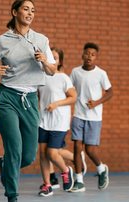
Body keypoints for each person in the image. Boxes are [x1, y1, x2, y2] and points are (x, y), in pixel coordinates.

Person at [0, 0, 56, 201]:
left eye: (33, 10)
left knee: (29, 155)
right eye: (26, 9)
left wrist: (45, 61)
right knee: (14, 147)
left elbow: (52, 70)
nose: (30, 13)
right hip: (6, 98)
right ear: (15, 12)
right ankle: (12, 196)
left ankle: (5, 165)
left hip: (30, 100)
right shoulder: (1, 41)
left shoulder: (41, 39)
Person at [69, 42, 113, 192]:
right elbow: (69, 89)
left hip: (94, 117)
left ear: (96, 58)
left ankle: (101, 169)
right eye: (87, 53)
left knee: (90, 150)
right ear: (82, 55)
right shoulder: (75, 72)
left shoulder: (101, 73)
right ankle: (79, 181)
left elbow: (110, 92)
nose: (89, 56)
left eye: (93, 55)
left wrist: (96, 103)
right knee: (76, 147)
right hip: (78, 114)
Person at [37, 47, 77, 196]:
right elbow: (40, 98)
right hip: (42, 121)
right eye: (50, 57)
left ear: (60, 61)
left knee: (52, 153)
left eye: (56, 57)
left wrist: (56, 104)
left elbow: (73, 97)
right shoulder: (41, 77)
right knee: (42, 154)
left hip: (59, 122)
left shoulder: (64, 78)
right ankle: (47, 185)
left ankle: (66, 171)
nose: (53, 59)